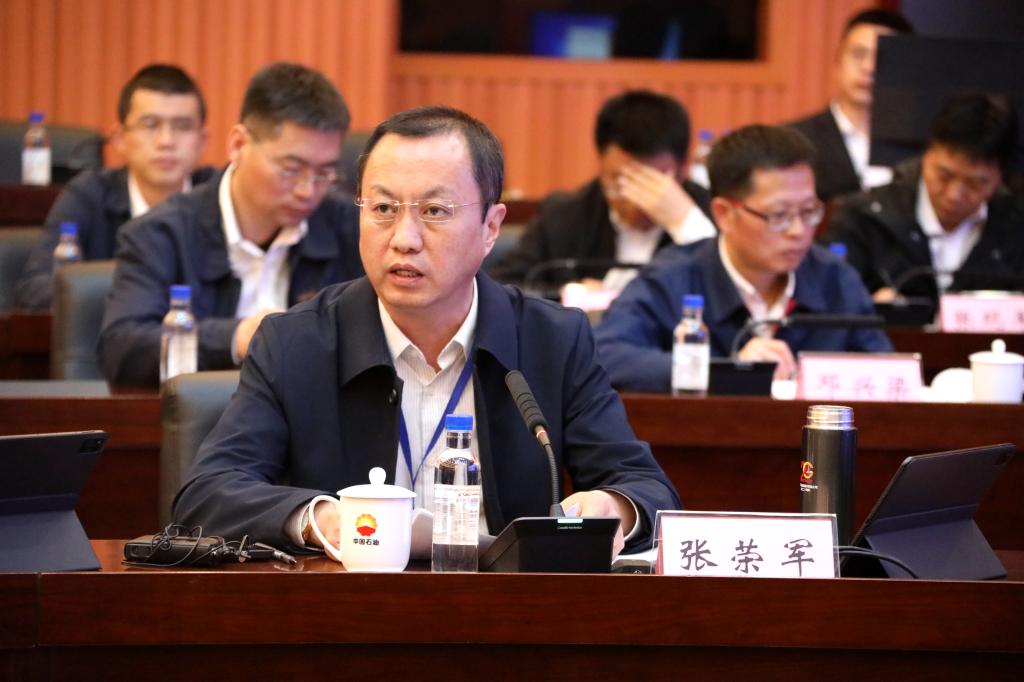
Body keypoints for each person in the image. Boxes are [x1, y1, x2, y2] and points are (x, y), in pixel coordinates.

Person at [173, 105, 680, 555]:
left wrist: (612, 506)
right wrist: (321, 519)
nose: (404, 239)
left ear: (491, 227)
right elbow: (207, 493)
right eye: (383, 209)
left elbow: (647, 489)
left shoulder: (553, 340)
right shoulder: (295, 343)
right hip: (347, 606)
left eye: (435, 211)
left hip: (506, 609)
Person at [98, 62, 364, 387]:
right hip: (204, 415)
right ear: (238, 145)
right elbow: (123, 348)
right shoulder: (161, 233)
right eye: (291, 168)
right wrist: (238, 337)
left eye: (324, 173)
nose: (308, 191)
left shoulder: (349, 226)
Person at [595, 125, 893, 393]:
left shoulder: (835, 278)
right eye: (778, 215)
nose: (798, 231)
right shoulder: (673, 277)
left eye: (808, 211)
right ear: (724, 214)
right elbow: (605, 354)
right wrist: (726, 371)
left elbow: (888, 374)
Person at [15, 64, 214, 309]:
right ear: (120, 138)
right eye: (150, 125)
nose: (166, 141)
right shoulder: (90, 193)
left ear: (202, 141)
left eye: (182, 126)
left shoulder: (217, 197)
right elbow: (34, 290)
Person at [490, 90, 716, 292]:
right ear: (601, 163)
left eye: (651, 183)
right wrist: (568, 293)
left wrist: (688, 226)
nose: (634, 199)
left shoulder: (711, 215)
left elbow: (728, 296)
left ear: (684, 168)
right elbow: (502, 285)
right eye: (619, 180)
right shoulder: (564, 216)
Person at [823, 92, 1023, 313]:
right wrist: (868, 308)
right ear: (927, 153)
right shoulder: (863, 218)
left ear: (1000, 177)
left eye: (975, 183)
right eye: (944, 175)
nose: (954, 195)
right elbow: (827, 303)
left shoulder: (1016, 228)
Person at [787, 9, 914, 203]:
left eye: (882, 58)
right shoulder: (795, 140)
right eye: (858, 54)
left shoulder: (922, 147)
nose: (869, 68)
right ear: (838, 61)